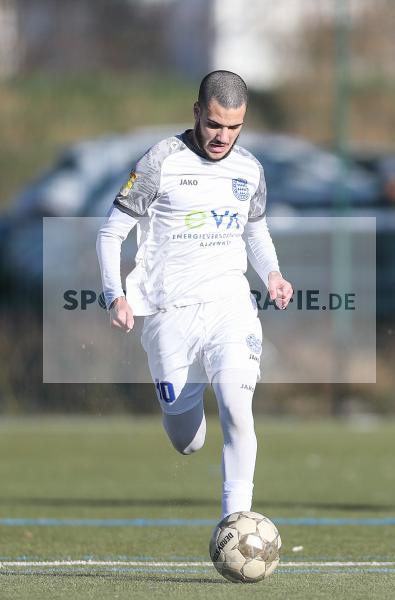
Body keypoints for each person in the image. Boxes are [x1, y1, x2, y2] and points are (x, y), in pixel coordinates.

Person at [96, 71, 293, 517]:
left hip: (230, 306)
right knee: (188, 441)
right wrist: (115, 295)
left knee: (237, 407)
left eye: (234, 127)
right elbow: (111, 233)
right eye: (215, 124)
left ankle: (235, 522)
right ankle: (182, 410)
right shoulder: (159, 162)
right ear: (197, 112)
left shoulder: (250, 170)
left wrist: (273, 275)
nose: (223, 136)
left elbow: (256, 233)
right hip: (169, 315)